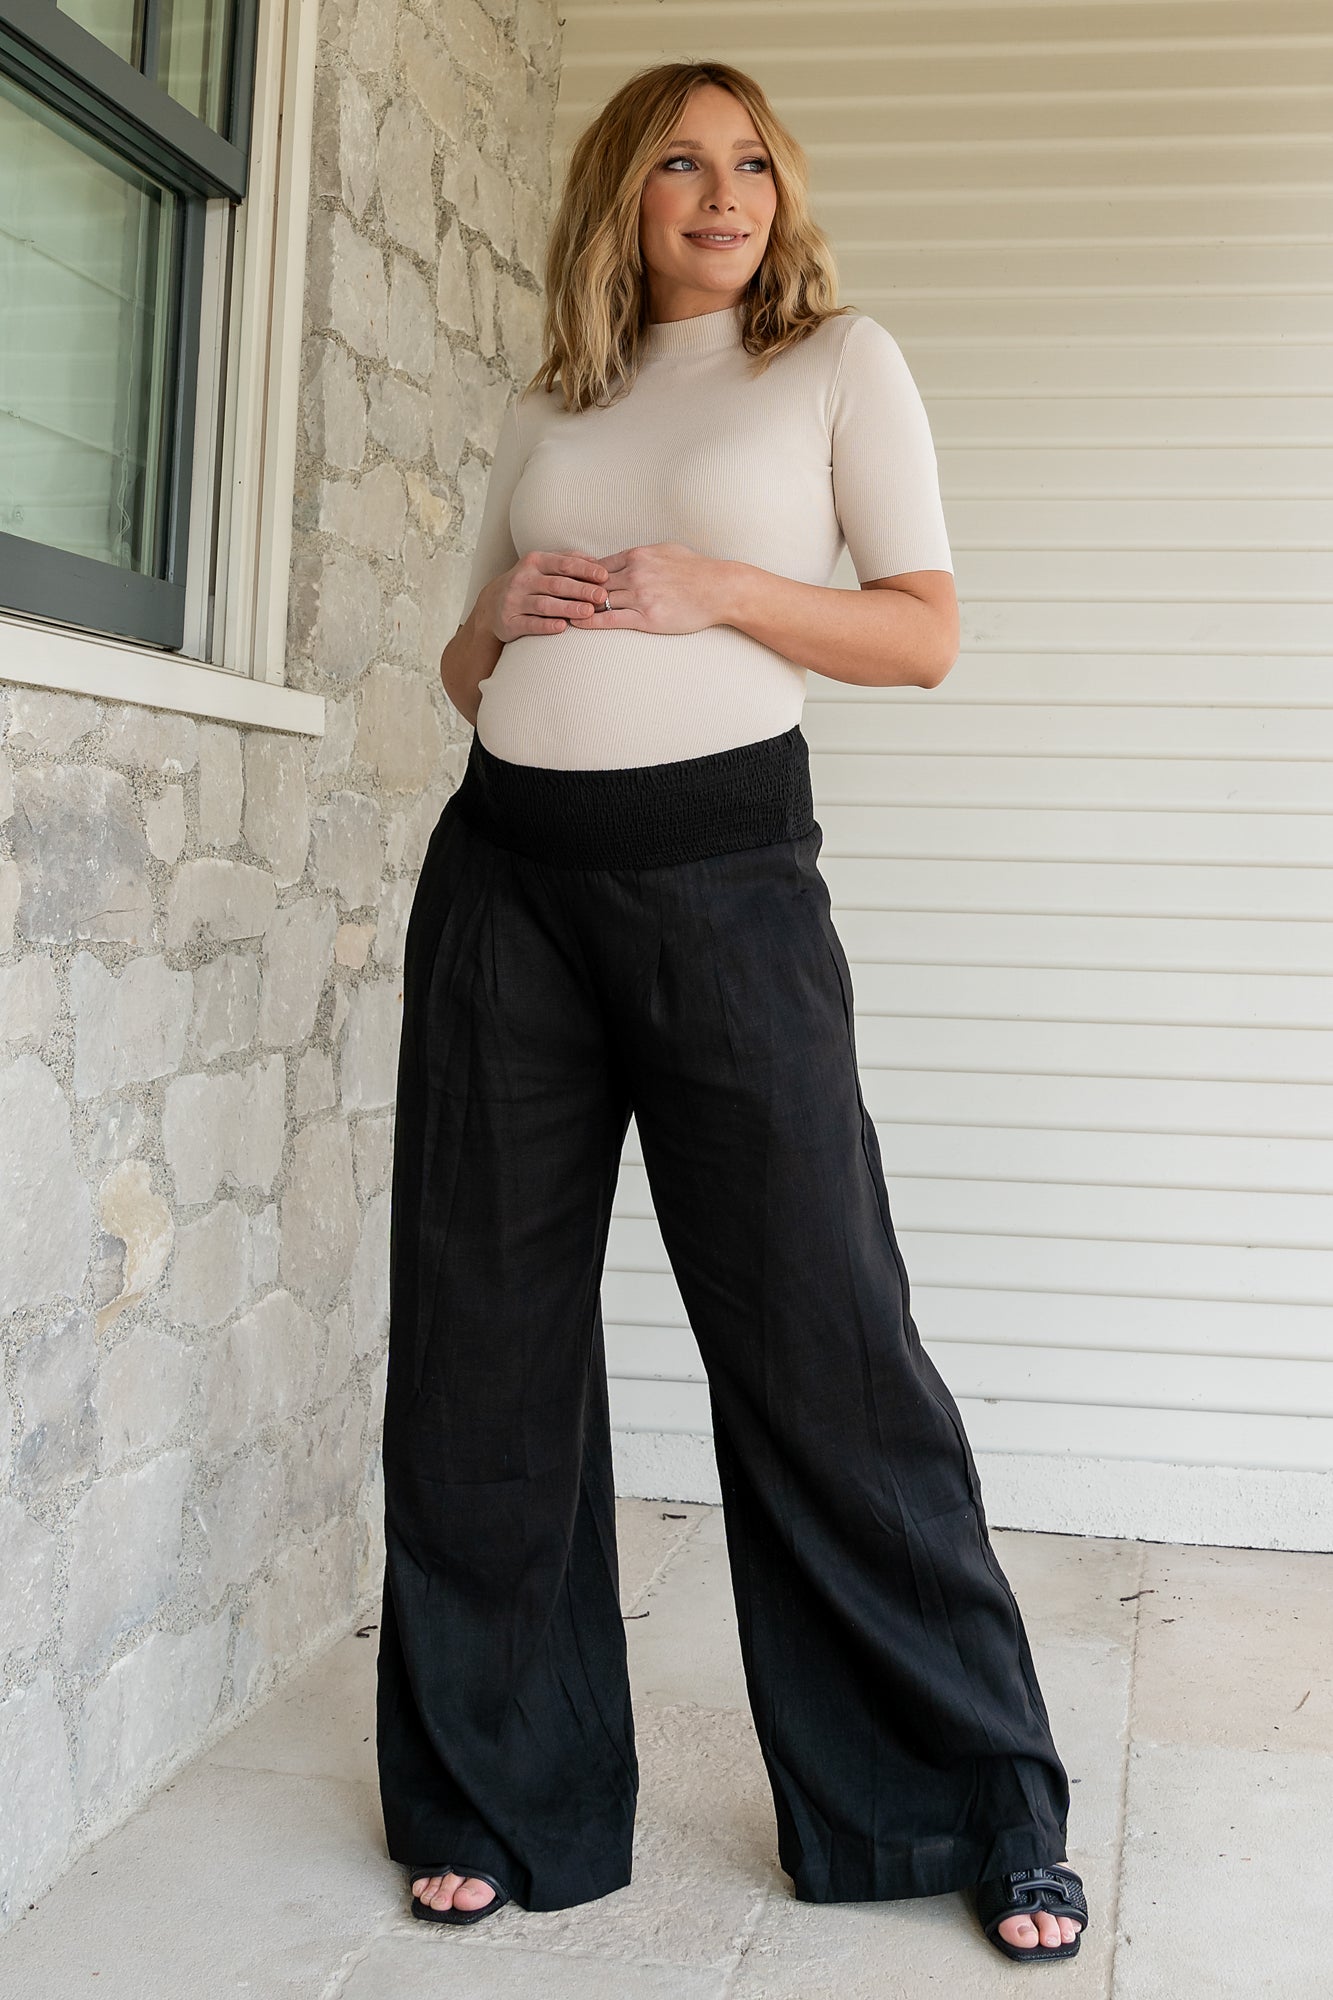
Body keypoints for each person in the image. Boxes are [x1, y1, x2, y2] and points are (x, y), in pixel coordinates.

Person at [376, 57, 1089, 1968]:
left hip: (724, 884)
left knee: (823, 1341)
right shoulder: (553, 396)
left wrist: (723, 589)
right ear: (619, 193)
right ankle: (490, 1792)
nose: (723, 192)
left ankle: (971, 1802)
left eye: (751, 160)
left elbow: (921, 633)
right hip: (505, 885)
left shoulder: (836, 363)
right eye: (681, 162)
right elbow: (465, 667)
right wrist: (501, 616)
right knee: (481, 1352)